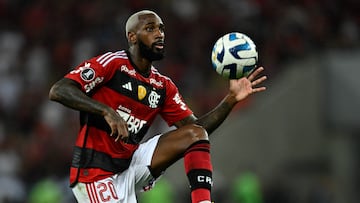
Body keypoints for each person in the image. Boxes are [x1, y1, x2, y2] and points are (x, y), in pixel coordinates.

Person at [48, 10, 267, 203]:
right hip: (95, 173)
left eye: (161, 29)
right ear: (132, 36)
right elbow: (59, 90)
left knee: (195, 134)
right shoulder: (112, 64)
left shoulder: (163, 86)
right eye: (150, 28)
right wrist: (106, 111)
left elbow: (198, 131)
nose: (159, 34)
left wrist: (230, 99)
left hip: (130, 164)